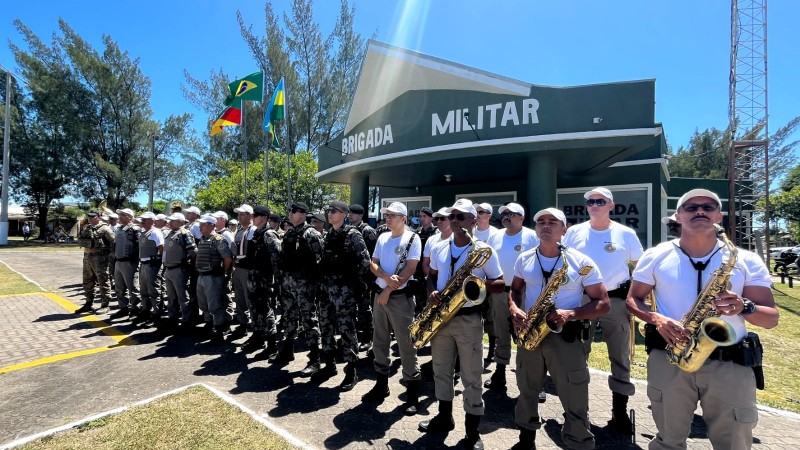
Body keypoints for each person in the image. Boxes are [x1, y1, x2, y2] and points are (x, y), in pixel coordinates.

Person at [626, 189, 779, 450]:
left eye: (708, 207)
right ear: (678, 215)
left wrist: (744, 306)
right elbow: (633, 300)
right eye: (691, 207)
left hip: (730, 364)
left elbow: (770, 318)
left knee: (734, 443)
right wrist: (658, 320)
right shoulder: (656, 255)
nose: (700, 211)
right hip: (670, 357)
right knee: (668, 442)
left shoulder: (745, 260)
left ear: (718, 216)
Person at [509, 208, 610, 450]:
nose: (546, 225)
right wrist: (513, 309)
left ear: (564, 229)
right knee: (527, 389)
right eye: (541, 222)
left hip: (565, 337)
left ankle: (578, 442)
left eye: (553, 222)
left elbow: (603, 303)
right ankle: (526, 439)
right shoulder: (524, 259)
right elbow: (515, 290)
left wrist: (572, 313)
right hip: (532, 335)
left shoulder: (581, 261)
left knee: (575, 395)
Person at [419, 199, 504, 450]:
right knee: (441, 372)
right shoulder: (439, 247)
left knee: (471, 375)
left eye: (461, 217)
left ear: (473, 221)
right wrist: (433, 292)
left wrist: (476, 287)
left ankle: (472, 431)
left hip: (469, 318)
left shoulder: (483, 250)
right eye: (452, 216)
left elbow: (499, 282)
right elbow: (431, 276)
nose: (455, 221)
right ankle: (444, 417)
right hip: (441, 318)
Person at [562, 187, 644, 435]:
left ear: (611, 205)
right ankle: (576, 411)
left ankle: (619, 411)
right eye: (590, 201)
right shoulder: (574, 233)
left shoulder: (626, 234)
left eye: (600, 201)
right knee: (577, 354)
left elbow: (639, 268)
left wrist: (636, 298)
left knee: (620, 356)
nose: (594, 204)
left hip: (616, 301)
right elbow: (562, 263)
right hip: (583, 300)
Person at [361, 202, 422, 416]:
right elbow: (373, 263)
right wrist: (386, 279)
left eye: (393, 216)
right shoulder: (382, 238)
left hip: (399, 298)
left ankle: (412, 393)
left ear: (403, 218)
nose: (388, 219)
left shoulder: (412, 238)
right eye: (386, 215)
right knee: (380, 340)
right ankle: (381, 383)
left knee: (406, 344)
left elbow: (411, 268)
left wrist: (388, 289)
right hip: (380, 295)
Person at [315, 201, 372, 390]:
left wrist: (356, 285)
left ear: (344, 215)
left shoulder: (352, 234)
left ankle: (351, 370)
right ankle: (329, 364)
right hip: (326, 290)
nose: (329, 214)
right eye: (328, 211)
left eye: (334, 211)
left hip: (344, 291)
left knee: (347, 329)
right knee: (326, 326)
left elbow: (365, 262)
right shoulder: (328, 235)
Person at [484, 202, 539, 392]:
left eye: (511, 213)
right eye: (504, 213)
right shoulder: (495, 236)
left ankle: (534, 378)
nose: (506, 216)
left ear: (522, 218)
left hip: (526, 292)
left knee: (527, 331)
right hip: (500, 291)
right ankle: (499, 372)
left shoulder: (532, 236)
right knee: (501, 331)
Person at [273, 202, 325, 377]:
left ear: (302, 214)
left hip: (304, 284)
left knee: (308, 319)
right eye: (290, 211)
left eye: (293, 211)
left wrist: (315, 281)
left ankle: (315, 359)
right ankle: (287, 350)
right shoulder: (289, 233)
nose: (290, 214)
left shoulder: (311, 233)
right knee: (288, 315)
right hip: (288, 282)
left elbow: (321, 257)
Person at [240, 206, 282, 361]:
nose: (253, 217)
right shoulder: (256, 233)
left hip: (264, 279)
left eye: (256, 215)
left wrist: (276, 279)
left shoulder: (269, 233)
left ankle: (272, 346)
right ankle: (258, 339)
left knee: (266, 312)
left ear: (264, 217)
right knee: (256, 311)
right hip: (254, 278)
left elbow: (277, 256)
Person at [195, 214, 234, 343]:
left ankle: (219, 330)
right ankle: (209, 325)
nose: (200, 226)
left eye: (203, 224)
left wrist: (222, 272)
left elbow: (227, 258)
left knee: (215, 305)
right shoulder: (203, 239)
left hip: (212, 277)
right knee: (204, 304)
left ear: (212, 225)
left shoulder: (217, 239)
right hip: (202, 276)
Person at [348, 203, 378, 352]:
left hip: (365, 278)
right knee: (352, 308)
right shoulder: (348, 230)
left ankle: (368, 338)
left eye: (353, 213)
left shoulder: (367, 231)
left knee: (365, 309)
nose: (350, 215)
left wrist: (369, 278)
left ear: (360, 215)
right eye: (349, 213)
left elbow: (374, 257)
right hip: (352, 277)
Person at [162, 213, 197, 331]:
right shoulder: (170, 233)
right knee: (171, 297)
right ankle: (173, 318)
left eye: (174, 221)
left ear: (181, 222)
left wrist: (188, 267)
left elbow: (193, 252)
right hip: (169, 269)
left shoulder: (185, 233)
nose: (170, 222)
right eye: (170, 220)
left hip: (179, 269)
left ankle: (187, 321)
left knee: (183, 297)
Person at [75, 211, 115, 314]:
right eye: (89, 216)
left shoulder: (105, 228)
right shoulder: (87, 227)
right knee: (88, 281)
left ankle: (105, 305)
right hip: (87, 257)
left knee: (103, 281)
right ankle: (88, 303)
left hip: (100, 259)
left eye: (92, 216)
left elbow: (114, 243)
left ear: (98, 217)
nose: (90, 218)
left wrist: (110, 257)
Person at [109, 208, 142, 320]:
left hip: (129, 262)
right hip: (118, 262)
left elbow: (140, 246)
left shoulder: (135, 229)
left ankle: (135, 309)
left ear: (130, 218)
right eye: (120, 215)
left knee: (132, 287)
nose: (120, 216)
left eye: (123, 215)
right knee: (119, 288)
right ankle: (123, 308)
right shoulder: (118, 229)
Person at [231, 204, 257, 337]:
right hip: (238, 267)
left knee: (249, 299)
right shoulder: (240, 230)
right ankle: (242, 324)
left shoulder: (253, 230)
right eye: (238, 214)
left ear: (250, 216)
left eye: (242, 214)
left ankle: (255, 327)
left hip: (248, 269)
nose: (239, 216)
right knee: (239, 298)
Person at [136, 211, 165, 327]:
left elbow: (161, 248)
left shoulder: (155, 232)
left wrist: (158, 261)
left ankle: (157, 313)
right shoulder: (143, 232)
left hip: (152, 264)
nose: (142, 221)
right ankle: (145, 311)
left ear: (152, 221)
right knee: (143, 290)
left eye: (145, 219)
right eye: (142, 219)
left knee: (153, 290)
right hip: (143, 264)